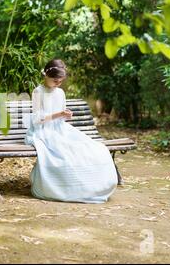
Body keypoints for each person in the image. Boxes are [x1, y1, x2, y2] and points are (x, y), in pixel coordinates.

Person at [24, 59, 118, 203]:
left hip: (59, 129)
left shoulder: (60, 92)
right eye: (55, 80)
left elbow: (61, 118)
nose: (58, 84)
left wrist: (65, 115)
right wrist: (58, 114)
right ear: (46, 75)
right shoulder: (38, 92)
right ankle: (63, 188)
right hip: (43, 131)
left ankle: (90, 188)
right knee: (65, 150)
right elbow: (37, 119)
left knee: (93, 147)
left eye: (60, 81)